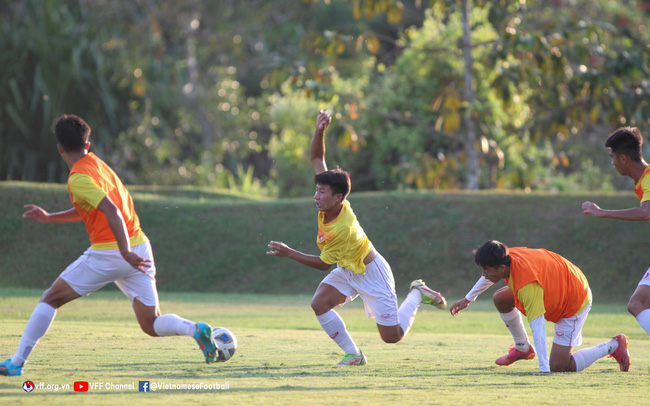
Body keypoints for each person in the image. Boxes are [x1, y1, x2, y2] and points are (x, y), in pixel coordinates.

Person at [0, 114, 218, 377]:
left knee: (50, 298)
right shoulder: (99, 166)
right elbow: (91, 208)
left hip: (113, 252)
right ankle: (194, 329)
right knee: (151, 323)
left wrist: (124, 251)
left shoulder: (78, 177)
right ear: (87, 145)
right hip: (140, 247)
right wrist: (50, 217)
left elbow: (112, 211)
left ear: (59, 149)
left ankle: (16, 363)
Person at [266, 111, 447, 366]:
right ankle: (354, 354)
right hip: (348, 268)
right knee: (319, 303)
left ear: (338, 197)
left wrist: (289, 252)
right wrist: (319, 130)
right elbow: (316, 158)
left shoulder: (343, 228)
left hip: (372, 273)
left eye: (322, 192)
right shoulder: (332, 202)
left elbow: (323, 264)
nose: (316, 196)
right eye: (316, 190)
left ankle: (417, 293)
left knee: (392, 337)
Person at [449, 240, 630, 373]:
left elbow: (538, 327)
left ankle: (614, 345)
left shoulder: (527, 286)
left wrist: (544, 369)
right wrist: (468, 299)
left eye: (486, 270)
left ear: (502, 268)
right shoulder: (508, 256)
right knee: (501, 299)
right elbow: (491, 274)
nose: (484, 274)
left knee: (559, 366)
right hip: (560, 283)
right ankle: (523, 348)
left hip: (575, 300)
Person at [582, 126, 650, 338]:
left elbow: (646, 212)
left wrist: (602, 212)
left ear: (623, 158)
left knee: (637, 303)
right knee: (637, 304)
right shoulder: (643, 181)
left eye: (612, 157)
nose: (612, 163)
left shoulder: (648, 177)